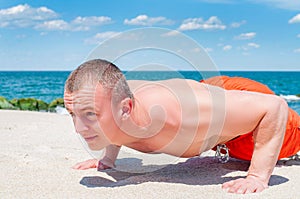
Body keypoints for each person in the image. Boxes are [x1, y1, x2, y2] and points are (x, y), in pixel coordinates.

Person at [64, 59, 299, 194]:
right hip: (209, 98)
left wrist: (257, 177)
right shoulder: (114, 106)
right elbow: (113, 107)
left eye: (89, 115)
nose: (78, 128)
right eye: (72, 114)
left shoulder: (183, 115)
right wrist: (107, 158)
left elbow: (274, 106)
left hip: (240, 119)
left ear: (126, 108)